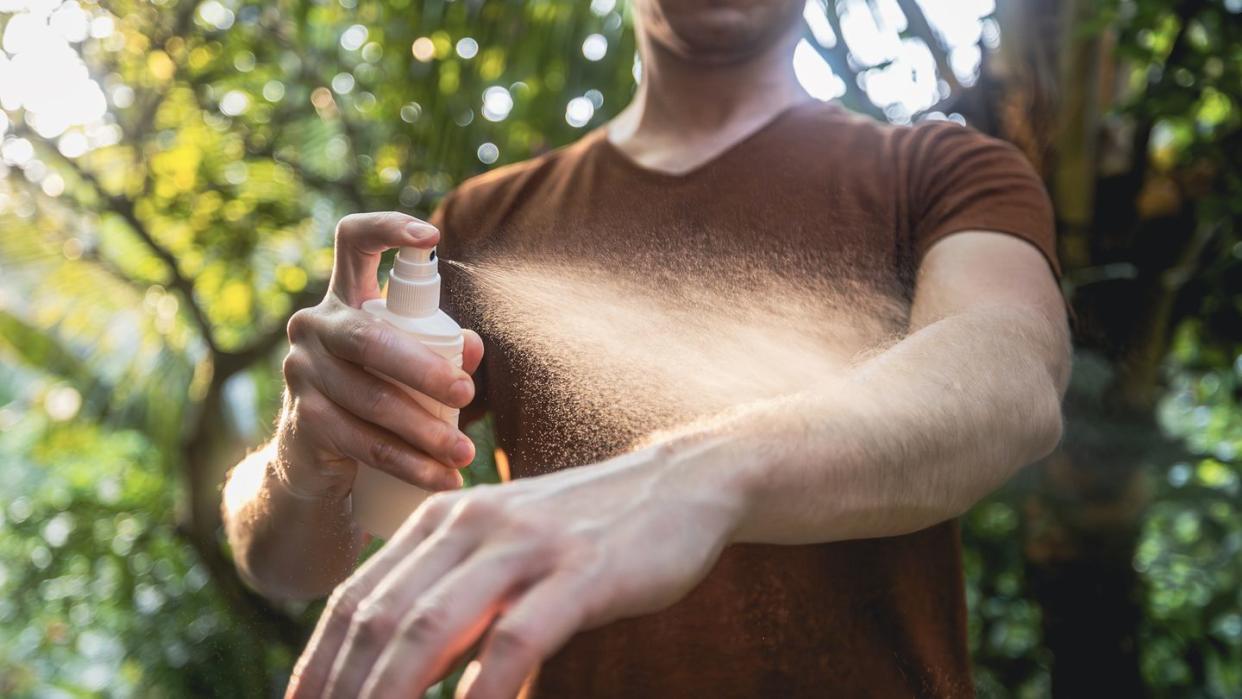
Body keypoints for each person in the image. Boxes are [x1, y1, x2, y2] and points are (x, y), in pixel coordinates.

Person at [221, 0, 1070, 696]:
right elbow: (284, 564)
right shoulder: (486, 223)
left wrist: (701, 476)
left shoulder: (942, 172)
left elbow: (1013, 370)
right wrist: (306, 453)